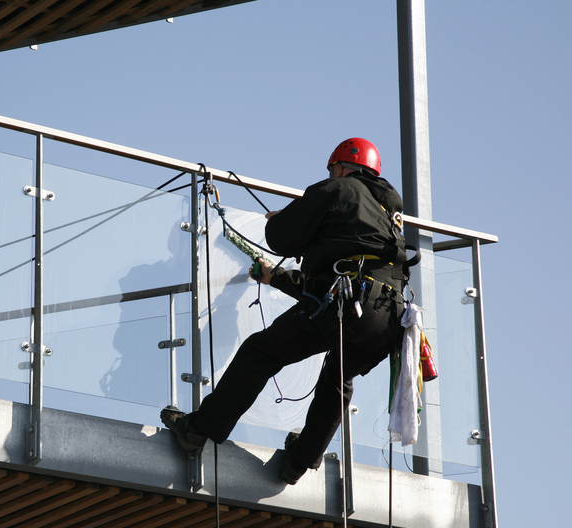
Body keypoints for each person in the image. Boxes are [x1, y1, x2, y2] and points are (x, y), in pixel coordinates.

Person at [161, 138, 410, 484]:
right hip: (390, 316)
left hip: (349, 301)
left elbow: (279, 238)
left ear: (339, 168)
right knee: (339, 380)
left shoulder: (337, 188)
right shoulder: (387, 215)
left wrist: (290, 223)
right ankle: (300, 461)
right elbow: (334, 277)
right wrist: (276, 276)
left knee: (261, 351)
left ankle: (198, 430)